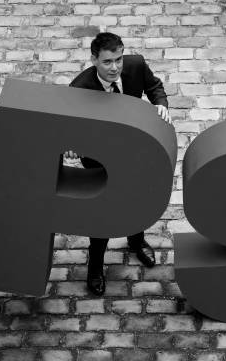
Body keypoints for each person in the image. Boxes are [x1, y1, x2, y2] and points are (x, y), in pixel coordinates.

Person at [67, 32, 172, 296]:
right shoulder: (80, 88)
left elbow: (155, 87)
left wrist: (161, 105)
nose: (115, 67)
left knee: (136, 197)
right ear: (94, 60)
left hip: (132, 149)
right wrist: (70, 143)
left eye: (118, 59)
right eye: (107, 62)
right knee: (103, 211)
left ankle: (136, 241)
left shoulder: (135, 65)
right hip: (99, 158)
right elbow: (69, 126)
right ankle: (96, 265)